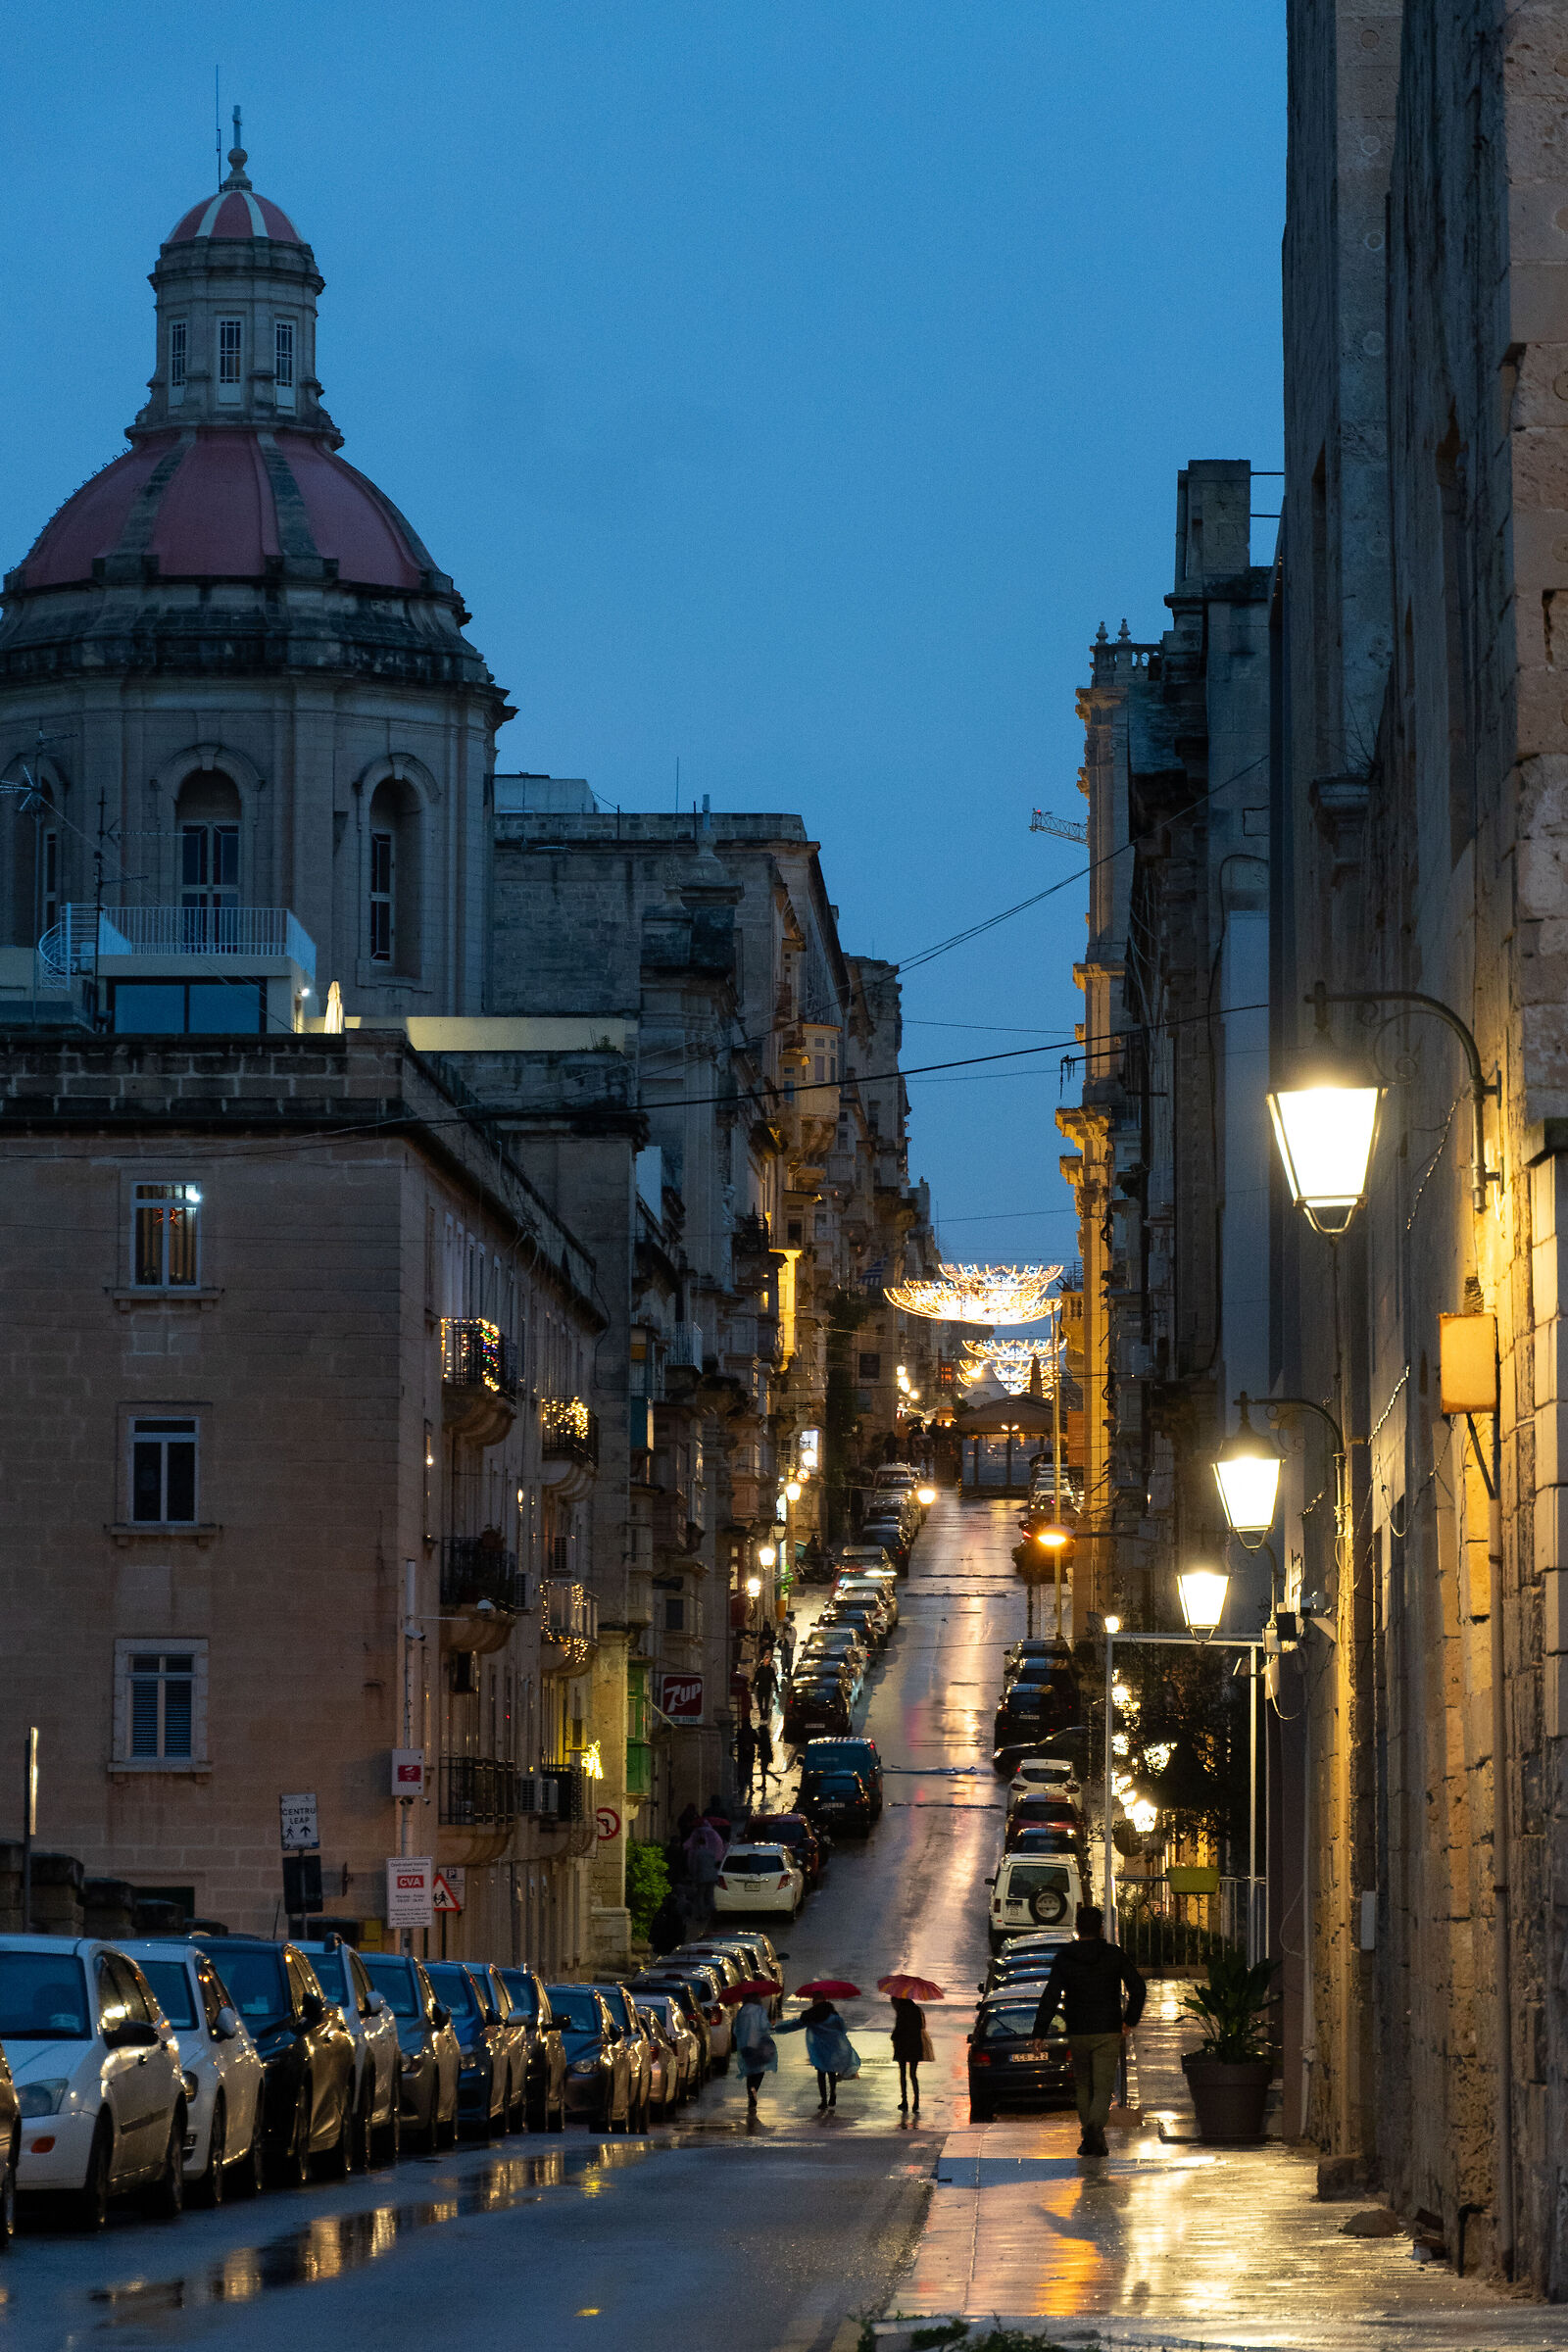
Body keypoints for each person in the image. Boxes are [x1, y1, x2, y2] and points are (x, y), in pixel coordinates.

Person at [1031, 1902, 1146, 2157]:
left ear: (1077, 1928)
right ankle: (1095, 2129)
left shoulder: (1065, 1957)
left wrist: (1039, 2031)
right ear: (1101, 1928)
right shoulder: (1114, 1954)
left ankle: (1090, 2135)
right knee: (1103, 2086)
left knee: (1084, 2086)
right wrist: (1130, 2020)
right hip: (1108, 2029)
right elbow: (1138, 1988)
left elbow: (1051, 1995)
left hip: (1078, 2030)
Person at [778, 1997, 860, 2109]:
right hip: (833, 2049)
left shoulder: (812, 2018)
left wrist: (776, 2028)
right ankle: (833, 2094)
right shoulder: (835, 2018)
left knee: (821, 2075)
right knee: (831, 2073)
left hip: (819, 2051)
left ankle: (823, 2100)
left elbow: (795, 2025)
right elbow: (843, 2030)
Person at [731, 1994, 777, 2119]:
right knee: (760, 2070)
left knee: (750, 2071)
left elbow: (736, 2029)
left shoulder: (742, 2011)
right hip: (759, 2044)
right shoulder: (760, 2010)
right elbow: (764, 2026)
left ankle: (750, 2093)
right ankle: (754, 2089)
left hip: (746, 2046)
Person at [890, 1994, 926, 2113]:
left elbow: (898, 2029)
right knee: (913, 2075)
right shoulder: (917, 2010)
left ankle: (904, 2101)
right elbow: (921, 2026)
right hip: (915, 2045)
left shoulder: (902, 2012)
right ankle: (916, 2101)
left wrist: (894, 2036)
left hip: (903, 2046)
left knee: (903, 2074)